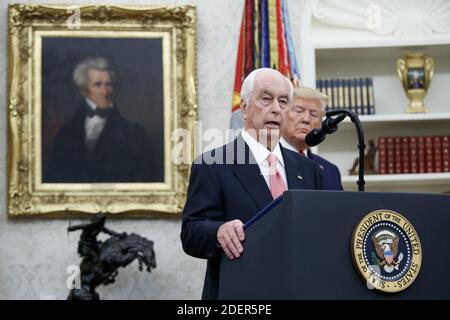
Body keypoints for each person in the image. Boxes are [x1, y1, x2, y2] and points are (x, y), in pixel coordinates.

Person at [181, 68, 323, 300]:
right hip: (239, 294)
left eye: (284, 101)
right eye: (266, 98)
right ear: (245, 107)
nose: (276, 108)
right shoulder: (213, 164)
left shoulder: (308, 169)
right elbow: (191, 232)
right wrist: (218, 231)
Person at [46, 57, 161, 183]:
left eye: (109, 85)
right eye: (98, 85)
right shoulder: (66, 133)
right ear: (83, 90)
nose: (105, 92)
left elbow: (148, 178)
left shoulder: (134, 133)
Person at [280, 86, 343, 190]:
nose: (306, 119)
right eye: (298, 111)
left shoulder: (330, 171)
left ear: (320, 123)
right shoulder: (269, 162)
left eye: (313, 114)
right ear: (283, 114)